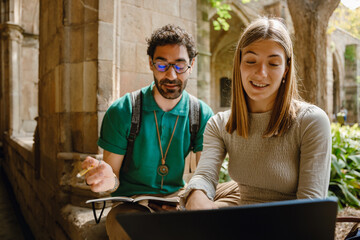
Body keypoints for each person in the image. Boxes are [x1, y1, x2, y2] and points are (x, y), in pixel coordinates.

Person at [81, 24, 238, 240]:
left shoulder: (200, 113)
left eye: (180, 66)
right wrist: (107, 180)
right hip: (134, 204)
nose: (171, 75)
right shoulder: (123, 110)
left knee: (241, 192)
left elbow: (206, 175)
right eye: (162, 65)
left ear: (192, 65)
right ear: (151, 64)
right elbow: (113, 179)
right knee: (124, 225)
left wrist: (188, 200)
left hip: (180, 197)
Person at [182, 17, 332, 210]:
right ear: (239, 64)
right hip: (243, 222)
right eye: (251, 61)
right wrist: (196, 195)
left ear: (286, 69)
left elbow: (309, 209)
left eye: (273, 63)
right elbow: (205, 176)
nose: (261, 73)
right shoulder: (219, 124)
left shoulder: (311, 122)